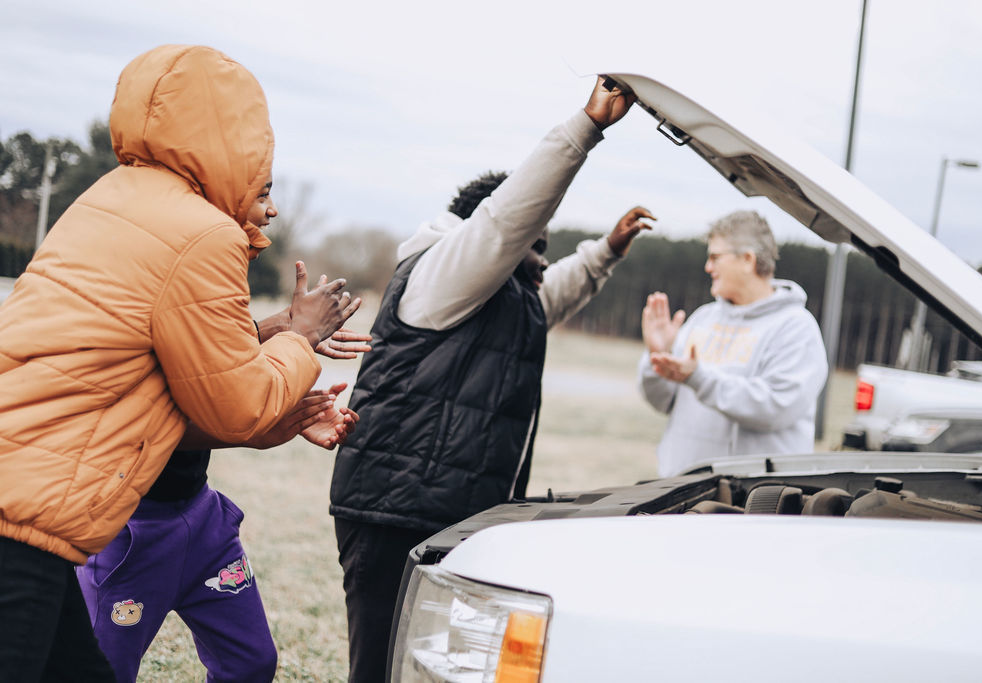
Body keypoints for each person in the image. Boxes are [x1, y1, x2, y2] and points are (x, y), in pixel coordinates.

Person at [0, 45, 352, 680]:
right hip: (22, 519)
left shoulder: (111, 197)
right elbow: (236, 405)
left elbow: (144, 348)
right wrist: (298, 339)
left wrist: (274, 331)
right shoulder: (205, 235)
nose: (269, 205)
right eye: (264, 179)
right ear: (236, 146)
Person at [328, 76, 652, 682]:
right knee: (379, 669)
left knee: (433, 669)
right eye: (539, 243)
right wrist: (584, 131)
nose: (544, 258)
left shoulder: (508, 297)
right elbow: (505, 222)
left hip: (449, 509)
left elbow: (547, 298)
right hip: (394, 509)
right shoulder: (443, 269)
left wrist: (604, 251)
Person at [75, 184, 372, 683]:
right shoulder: (153, 257)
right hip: (131, 528)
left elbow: (207, 362)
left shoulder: (213, 264)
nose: (272, 210)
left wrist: (280, 332)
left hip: (201, 518)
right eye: (262, 192)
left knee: (251, 663)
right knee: (101, 670)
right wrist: (271, 404)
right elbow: (152, 407)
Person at [638, 210, 828, 477]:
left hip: (750, 505)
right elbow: (662, 401)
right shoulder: (703, 318)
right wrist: (657, 356)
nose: (708, 267)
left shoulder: (796, 328)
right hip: (679, 494)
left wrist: (699, 378)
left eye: (715, 257)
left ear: (747, 259)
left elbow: (775, 407)